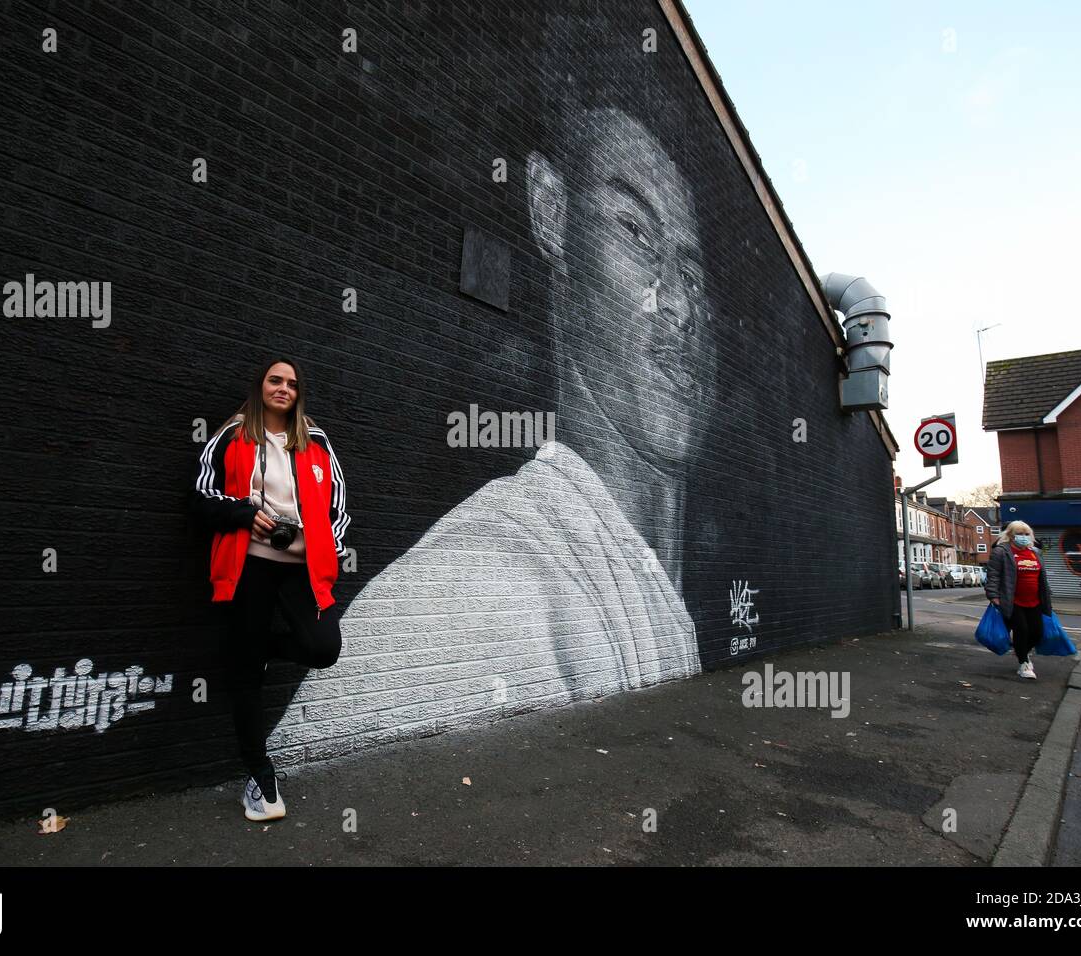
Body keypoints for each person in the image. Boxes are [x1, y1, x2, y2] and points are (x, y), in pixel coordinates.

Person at [269, 104, 716, 757]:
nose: (678, 304)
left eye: (695, 276)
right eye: (634, 231)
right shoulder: (478, 586)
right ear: (550, 212)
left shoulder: (642, 597)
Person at [188, 357, 350, 820]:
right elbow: (200, 496)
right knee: (244, 676)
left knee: (322, 647)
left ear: (299, 394)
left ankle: (259, 647)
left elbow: (339, 507)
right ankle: (260, 779)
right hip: (248, 566)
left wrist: (324, 545)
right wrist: (243, 513)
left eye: (292, 384)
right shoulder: (232, 434)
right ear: (260, 386)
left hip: (301, 569)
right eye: (275, 381)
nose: (283, 389)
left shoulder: (316, 443)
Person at [984, 520, 1053, 680]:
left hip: (1035, 600)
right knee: (1022, 630)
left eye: (1026, 534)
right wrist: (993, 596)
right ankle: (1024, 664)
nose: (1023, 537)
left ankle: (1022, 651)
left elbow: (1042, 577)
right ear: (1010, 535)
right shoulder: (1001, 552)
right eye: (1019, 534)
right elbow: (993, 575)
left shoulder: (1035, 552)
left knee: (1037, 633)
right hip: (1012, 600)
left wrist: (1046, 594)